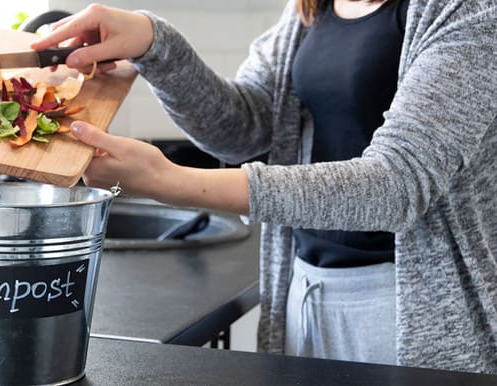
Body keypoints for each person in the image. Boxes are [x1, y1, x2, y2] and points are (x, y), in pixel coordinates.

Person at [31, 0, 497, 374]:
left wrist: (170, 182)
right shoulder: (311, 10)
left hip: (411, 309)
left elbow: (397, 184)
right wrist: (154, 42)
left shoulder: (469, 13)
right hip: (302, 288)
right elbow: (243, 129)